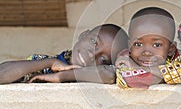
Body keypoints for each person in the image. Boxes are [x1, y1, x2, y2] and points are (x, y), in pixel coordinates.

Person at [0, 24, 128, 84]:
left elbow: (110, 74)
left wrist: (63, 76)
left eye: (103, 59)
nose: (91, 55)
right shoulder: (43, 66)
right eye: (94, 42)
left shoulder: (93, 78)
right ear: (83, 35)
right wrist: (50, 62)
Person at [115, 7, 181, 89]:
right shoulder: (125, 59)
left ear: (171, 49)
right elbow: (132, 81)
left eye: (156, 45)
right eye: (138, 44)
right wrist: (165, 76)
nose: (147, 52)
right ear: (129, 46)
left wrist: (140, 69)